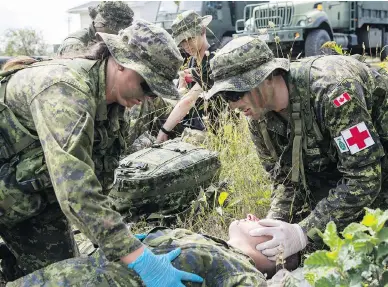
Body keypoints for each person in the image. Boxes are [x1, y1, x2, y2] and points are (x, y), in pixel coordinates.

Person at [0, 20, 204, 286]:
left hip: (29, 200)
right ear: (121, 62)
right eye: (147, 85)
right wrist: (135, 255)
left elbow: (98, 181)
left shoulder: (112, 106)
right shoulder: (64, 90)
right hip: (17, 190)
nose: (149, 97)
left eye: (156, 91)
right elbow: (77, 191)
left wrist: (119, 242)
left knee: (60, 277)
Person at [204, 35, 388, 261]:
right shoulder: (259, 120)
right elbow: (285, 180)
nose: (232, 105)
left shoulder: (333, 92)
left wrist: (303, 232)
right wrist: (273, 225)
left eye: (235, 93)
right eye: (224, 97)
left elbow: (365, 178)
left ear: (268, 77)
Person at [6, 214, 299, 287]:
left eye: (263, 226)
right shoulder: (200, 237)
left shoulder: (241, 272)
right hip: (64, 275)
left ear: (276, 257)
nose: (251, 216)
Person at [156, 10, 226, 143]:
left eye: (190, 38)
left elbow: (189, 100)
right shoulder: (192, 61)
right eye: (182, 41)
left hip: (211, 129)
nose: (186, 45)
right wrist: (181, 86)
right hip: (191, 123)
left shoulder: (214, 60)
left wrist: (164, 131)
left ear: (203, 31)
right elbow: (180, 98)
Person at [57, 1, 134, 56]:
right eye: (114, 30)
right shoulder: (75, 41)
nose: (118, 34)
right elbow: (70, 57)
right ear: (98, 24)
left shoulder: (126, 37)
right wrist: (94, 51)